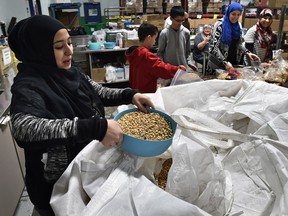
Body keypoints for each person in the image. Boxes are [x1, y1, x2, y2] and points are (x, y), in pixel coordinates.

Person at [8, 15, 154, 216]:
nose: (69, 50)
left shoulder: (70, 72)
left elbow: (98, 92)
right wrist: (96, 127)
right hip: (55, 188)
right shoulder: (29, 86)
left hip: (83, 173)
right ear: (38, 50)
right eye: (59, 46)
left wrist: (130, 94)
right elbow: (24, 128)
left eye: (69, 42)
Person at [126, 22, 186, 93]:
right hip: (147, 94)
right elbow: (163, 69)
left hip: (136, 92)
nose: (154, 42)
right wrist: (180, 69)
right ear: (149, 38)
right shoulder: (146, 55)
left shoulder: (135, 52)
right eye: (154, 38)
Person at [208, 2, 259, 71]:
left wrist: (248, 53)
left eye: (238, 15)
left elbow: (238, 43)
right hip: (218, 64)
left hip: (233, 62)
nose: (236, 17)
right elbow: (214, 48)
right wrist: (224, 62)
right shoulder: (220, 25)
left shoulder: (238, 25)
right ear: (228, 13)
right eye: (233, 14)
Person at [158, 6, 196, 71]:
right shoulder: (164, 33)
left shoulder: (186, 32)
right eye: (178, 20)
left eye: (182, 20)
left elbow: (188, 51)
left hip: (183, 69)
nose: (180, 23)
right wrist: (163, 66)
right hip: (168, 69)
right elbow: (160, 53)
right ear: (171, 18)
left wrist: (189, 62)